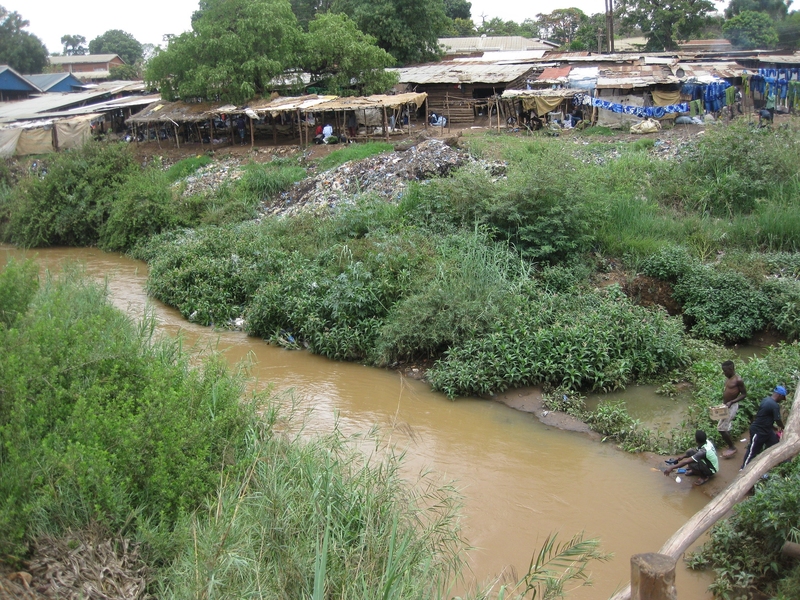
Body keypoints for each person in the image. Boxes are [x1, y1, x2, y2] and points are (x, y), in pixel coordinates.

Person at [740, 386, 786, 470]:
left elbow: (764, 416)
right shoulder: (774, 405)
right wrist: (783, 427)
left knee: (775, 445)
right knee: (752, 451)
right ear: (779, 395)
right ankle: (743, 469)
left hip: (767, 431)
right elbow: (777, 419)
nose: (782, 400)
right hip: (758, 431)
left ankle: (782, 464)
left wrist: (772, 427)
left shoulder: (766, 400)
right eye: (782, 398)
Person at [718, 360, 747, 458]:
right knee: (725, 425)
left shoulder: (738, 380)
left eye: (725, 371)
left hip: (732, 406)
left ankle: (732, 447)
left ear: (731, 369)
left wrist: (732, 402)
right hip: (726, 405)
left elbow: (744, 394)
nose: (724, 373)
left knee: (721, 429)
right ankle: (729, 440)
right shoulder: (728, 378)